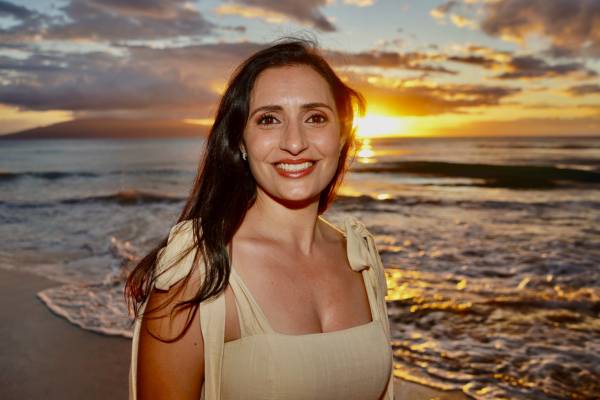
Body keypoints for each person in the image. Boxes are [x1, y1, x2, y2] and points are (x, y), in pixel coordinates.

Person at [125, 36, 395, 400]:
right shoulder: (197, 273)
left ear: (342, 134)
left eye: (315, 118)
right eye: (269, 119)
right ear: (240, 141)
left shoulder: (360, 258)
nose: (295, 142)